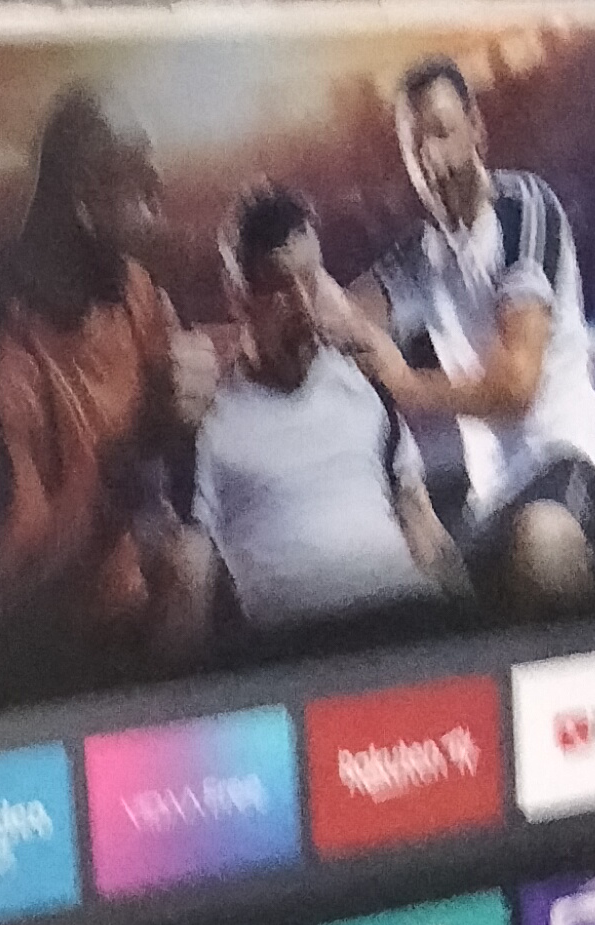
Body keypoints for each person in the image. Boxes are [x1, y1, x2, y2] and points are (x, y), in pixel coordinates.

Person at [0, 91, 217, 644]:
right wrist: (131, 452)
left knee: (198, 560)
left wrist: (188, 419)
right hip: (53, 654)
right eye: (143, 186)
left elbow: (173, 465)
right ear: (86, 197)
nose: (158, 208)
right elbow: (4, 586)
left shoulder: (133, 290)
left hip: (139, 614)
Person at [363, 58, 595, 607]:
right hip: (490, 502)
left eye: (442, 132)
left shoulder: (523, 208)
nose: (431, 158)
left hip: (564, 463)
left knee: (542, 544)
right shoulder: (418, 256)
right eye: (415, 147)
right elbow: (338, 313)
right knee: (408, 586)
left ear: (477, 130)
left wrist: (407, 385)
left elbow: (516, 387)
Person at [172, 186, 466, 649]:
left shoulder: (365, 384)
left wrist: (476, 634)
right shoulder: (207, 423)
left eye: (310, 280)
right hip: (304, 654)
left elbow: (424, 529)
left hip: (409, 628)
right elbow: (188, 586)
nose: (303, 307)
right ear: (238, 296)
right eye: (280, 289)